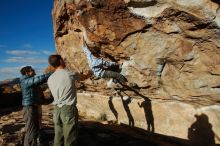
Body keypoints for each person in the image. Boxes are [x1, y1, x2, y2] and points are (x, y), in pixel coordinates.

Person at [47, 54, 92, 146]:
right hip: (67, 108)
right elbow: (83, 77)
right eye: (63, 59)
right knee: (70, 136)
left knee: (58, 135)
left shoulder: (50, 78)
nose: (65, 61)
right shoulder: (69, 73)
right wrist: (90, 73)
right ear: (60, 61)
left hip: (56, 109)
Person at [20, 66, 52, 146]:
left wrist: (49, 99)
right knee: (31, 131)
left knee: (35, 130)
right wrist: (52, 73)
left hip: (33, 107)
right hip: (29, 109)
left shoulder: (30, 81)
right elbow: (38, 79)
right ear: (27, 73)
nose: (34, 70)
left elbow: (37, 95)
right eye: (32, 70)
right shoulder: (25, 80)